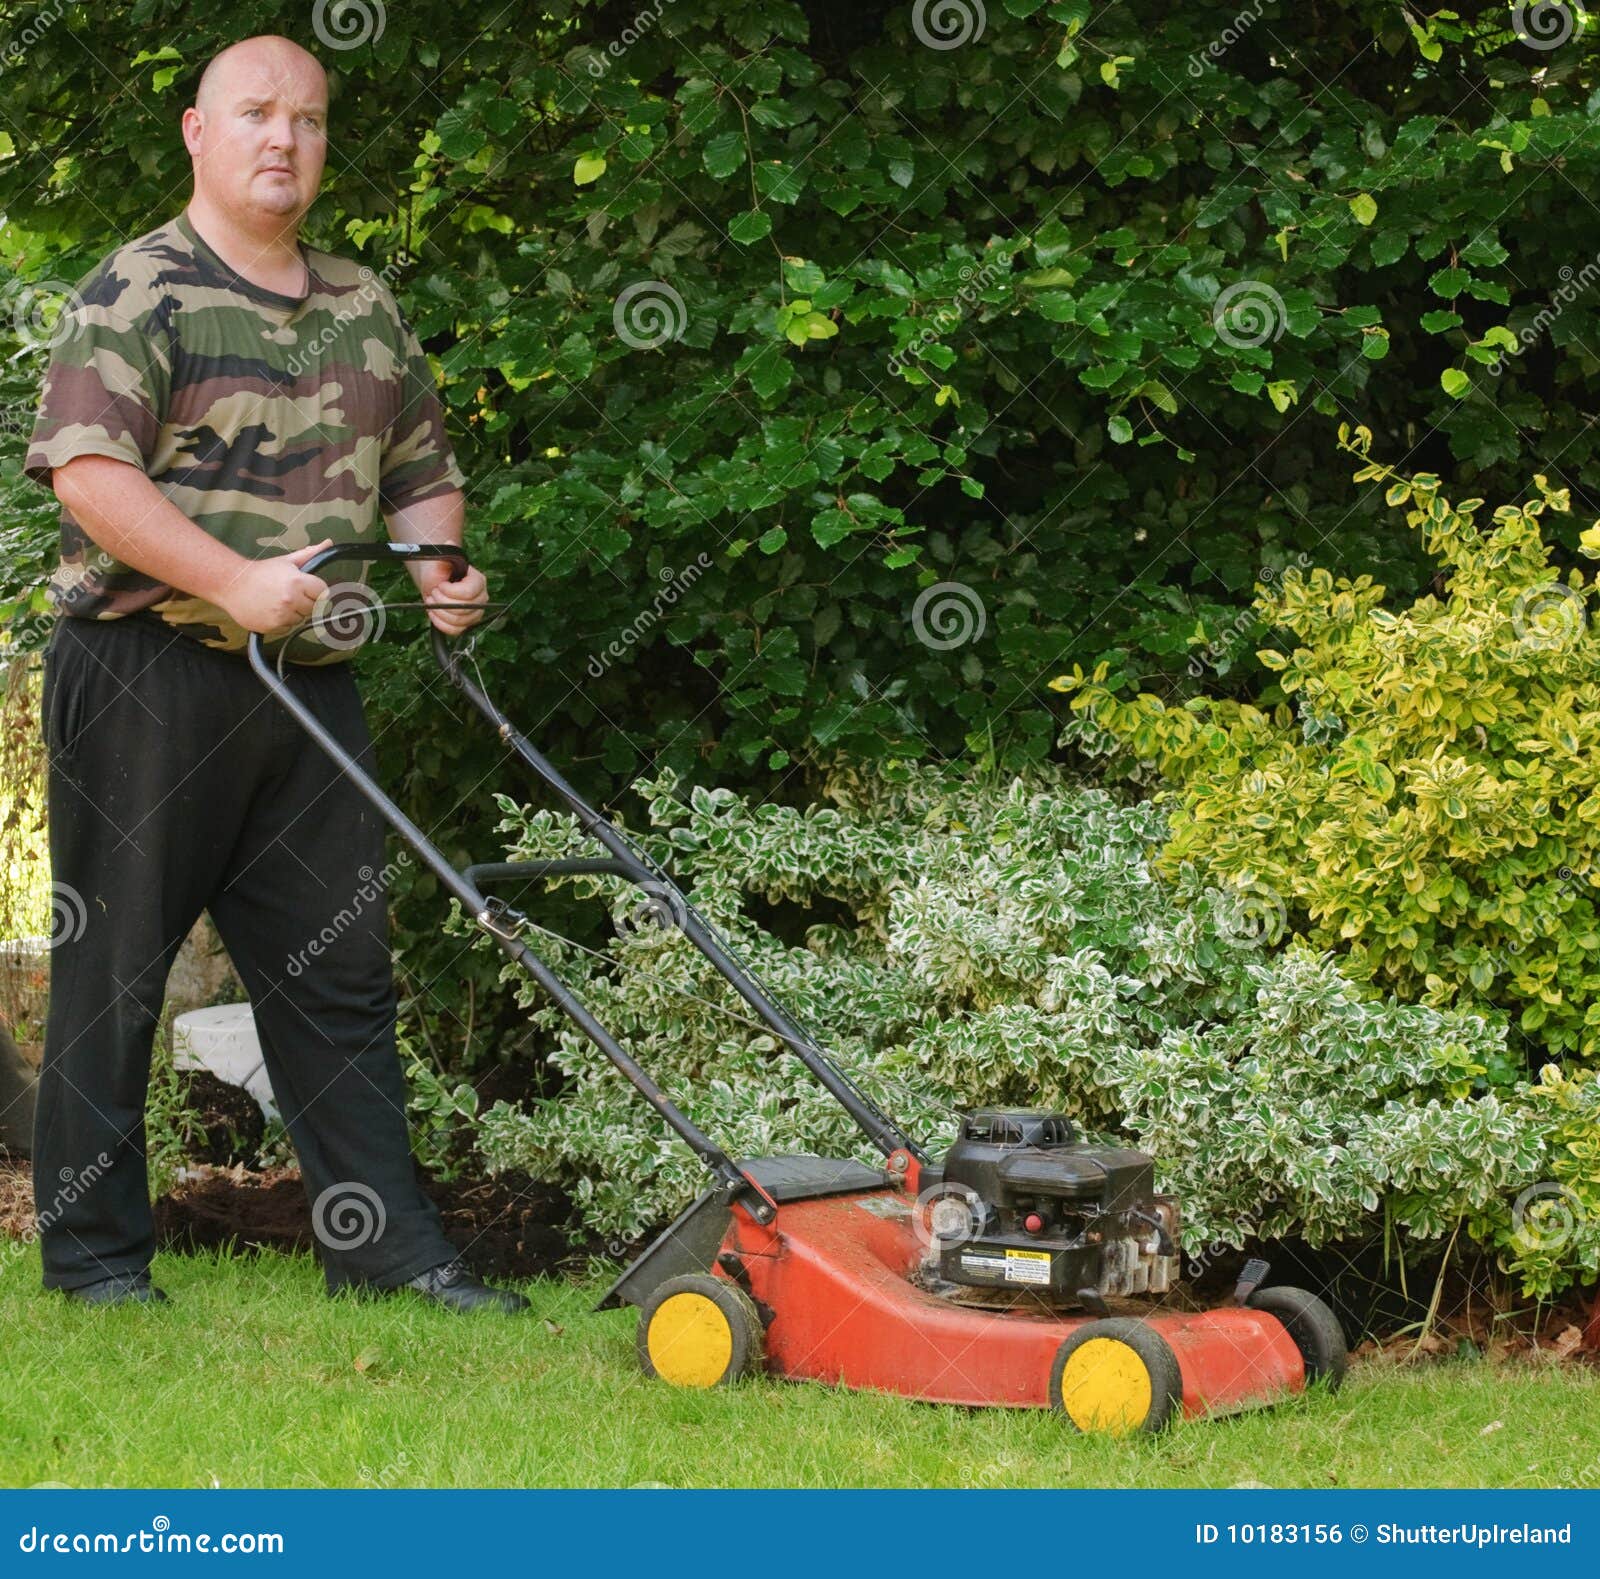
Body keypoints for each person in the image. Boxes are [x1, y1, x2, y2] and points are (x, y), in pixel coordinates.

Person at [22, 33, 527, 1313]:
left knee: (341, 974)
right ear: (197, 130)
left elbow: (419, 468)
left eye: (304, 120)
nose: (281, 140)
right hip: (149, 670)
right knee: (115, 969)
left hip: (309, 693)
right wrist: (232, 580)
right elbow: (90, 479)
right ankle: (93, 1265)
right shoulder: (137, 290)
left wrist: (440, 573)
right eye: (254, 113)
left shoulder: (361, 305)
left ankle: (391, 1254)